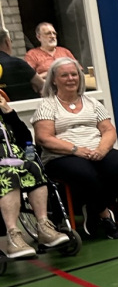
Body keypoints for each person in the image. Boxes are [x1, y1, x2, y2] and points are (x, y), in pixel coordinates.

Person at [32, 59, 118, 239]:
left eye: (74, 74)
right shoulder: (47, 105)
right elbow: (43, 138)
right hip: (62, 156)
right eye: (64, 75)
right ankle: (104, 214)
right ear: (54, 80)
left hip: (96, 150)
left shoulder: (92, 103)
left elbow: (109, 130)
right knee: (85, 173)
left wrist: (102, 150)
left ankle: (93, 208)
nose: (71, 78)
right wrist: (75, 150)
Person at [0, 92, 69, 257]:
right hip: (3, 166)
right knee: (9, 175)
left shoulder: (5, 116)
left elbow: (25, 138)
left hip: (15, 158)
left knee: (34, 168)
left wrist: (8, 112)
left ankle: (44, 225)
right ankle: (13, 235)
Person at [0, 27, 42, 101]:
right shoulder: (17, 63)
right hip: (25, 106)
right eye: (11, 41)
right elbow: (42, 85)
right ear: (7, 42)